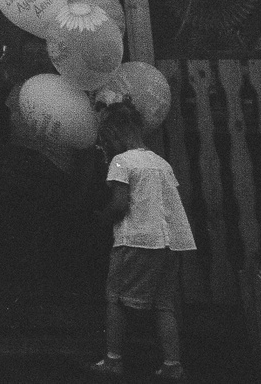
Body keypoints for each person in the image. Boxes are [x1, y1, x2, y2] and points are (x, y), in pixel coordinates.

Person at [92, 102, 194, 378]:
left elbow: (120, 205)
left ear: (114, 134)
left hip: (135, 240)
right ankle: (173, 365)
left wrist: (101, 218)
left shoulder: (121, 161)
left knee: (115, 298)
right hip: (170, 242)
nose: (106, 148)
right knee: (164, 302)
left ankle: (113, 359)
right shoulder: (161, 162)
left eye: (105, 141)